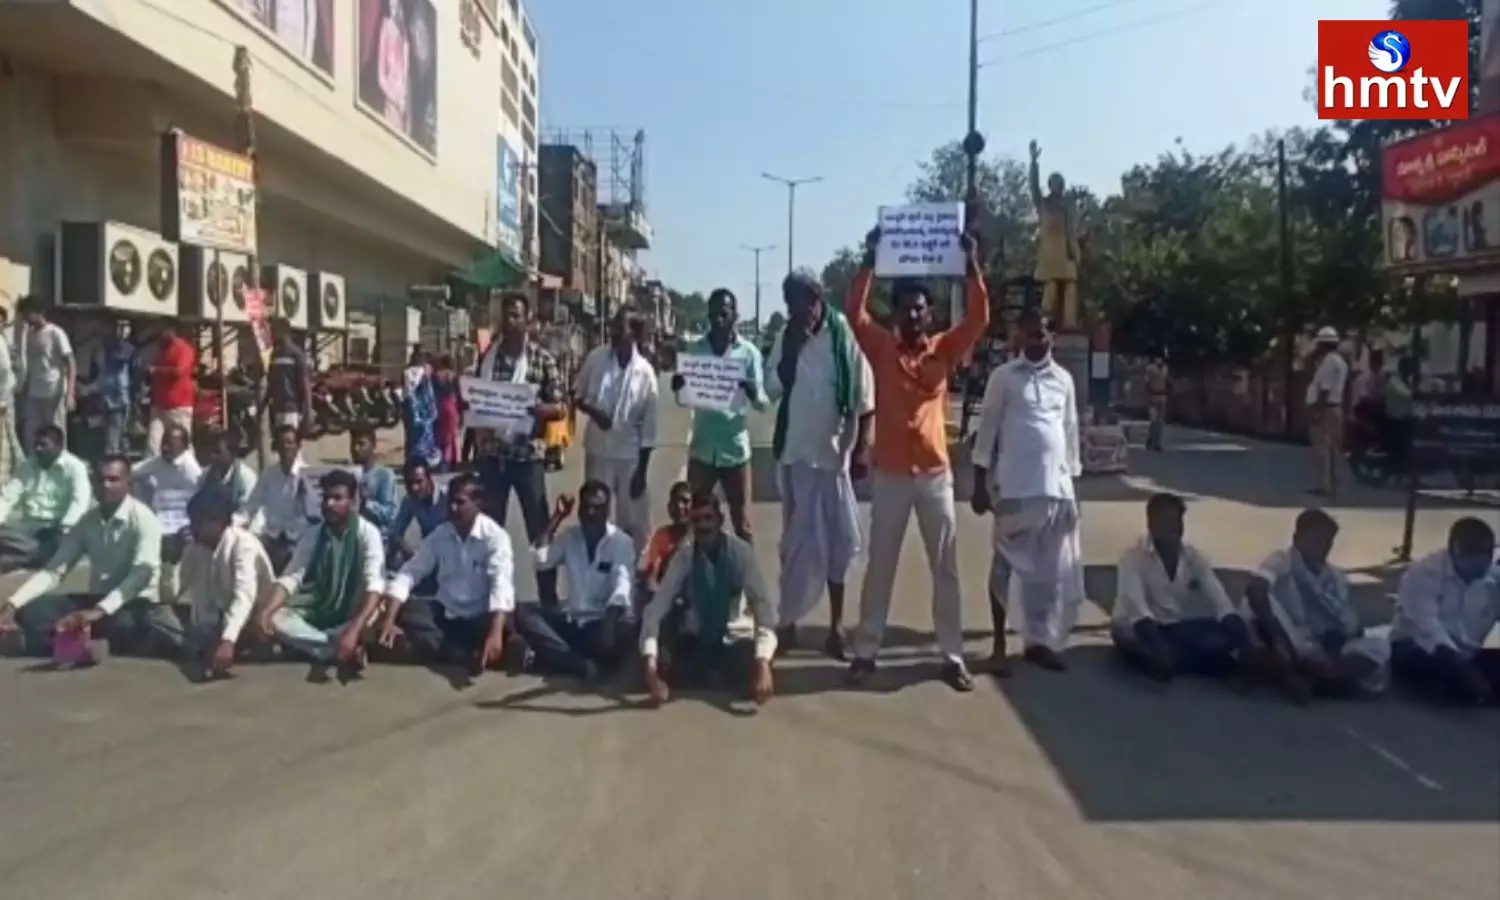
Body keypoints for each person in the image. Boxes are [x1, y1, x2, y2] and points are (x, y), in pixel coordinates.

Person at [845, 227, 989, 692]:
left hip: (934, 477)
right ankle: (866, 650)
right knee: (880, 565)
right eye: (906, 306)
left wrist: (971, 265)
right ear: (897, 313)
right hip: (890, 476)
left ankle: (951, 655)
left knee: (944, 567)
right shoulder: (881, 346)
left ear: (930, 314)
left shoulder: (945, 347)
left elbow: (981, 317)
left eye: (920, 307)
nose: (913, 312)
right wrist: (869, 258)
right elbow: (854, 312)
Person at [764, 270, 875, 659]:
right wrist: (791, 352)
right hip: (795, 456)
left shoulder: (842, 335)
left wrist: (863, 447)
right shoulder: (786, 336)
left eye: (802, 306)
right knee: (795, 546)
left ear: (816, 302)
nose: (797, 315)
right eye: (790, 307)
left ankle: (835, 627)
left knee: (838, 546)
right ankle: (789, 622)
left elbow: (864, 396)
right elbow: (771, 388)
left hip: (833, 460)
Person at [971, 309, 1083, 674]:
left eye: (1043, 335)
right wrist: (979, 484)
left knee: (1050, 574)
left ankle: (1040, 641)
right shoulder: (1003, 378)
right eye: (1030, 334)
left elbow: (1069, 431)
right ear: (1019, 337)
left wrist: (1072, 482)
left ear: (1052, 338)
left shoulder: (1064, 380)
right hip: (1015, 488)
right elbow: (987, 431)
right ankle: (1000, 645)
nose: (1036, 341)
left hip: (1056, 489)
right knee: (1003, 566)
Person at [0, 455, 171, 660]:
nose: (105, 485)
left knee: (131, 625)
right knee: (32, 610)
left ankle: (66, 642)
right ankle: (82, 644)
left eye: (113, 479)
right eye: (100, 480)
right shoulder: (87, 522)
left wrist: (99, 611)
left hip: (133, 604)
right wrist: (12, 604)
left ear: (129, 483)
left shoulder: (144, 520)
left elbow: (140, 576)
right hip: (96, 599)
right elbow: (54, 570)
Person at [639, 489, 778, 705]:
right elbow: (656, 609)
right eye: (696, 520)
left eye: (708, 518)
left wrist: (763, 666)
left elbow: (763, 609)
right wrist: (650, 671)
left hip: (734, 638)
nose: (703, 525)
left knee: (751, 664)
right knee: (668, 660)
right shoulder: (684, 556)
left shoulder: (741, 554)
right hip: (697, 639)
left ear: (720, 520)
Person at [471, 292, 566, 605]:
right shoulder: (487, 359)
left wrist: (539, 410)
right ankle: (492, 600)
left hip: (528, 460)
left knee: (539, 532)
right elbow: (478, 401)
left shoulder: (542, 360)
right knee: (489, 532)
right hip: (493, 460)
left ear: (528, 320)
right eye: (506, 315)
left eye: (516, 315)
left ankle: (548, 600)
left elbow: (561, 408)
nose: (510, 321)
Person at [1240, 509, 1390, 703]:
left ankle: (1314, 676)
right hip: (1284, 636)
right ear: (1297, 538)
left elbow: (1346, 625)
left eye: (1328, 541)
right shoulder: (1282, 560)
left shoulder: (1335, 577)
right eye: (1316, 539)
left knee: (1379, 646)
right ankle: (1291, 673)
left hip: (1318, 646)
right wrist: (1278, 641)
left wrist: (1336, 649)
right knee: (1257, 601)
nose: (1323, 547)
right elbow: (1257, 588)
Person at [254, 469, 385, 676]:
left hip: (354, 612)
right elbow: (291, 576)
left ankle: (326, 644)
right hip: (320, 608)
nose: (329, 504)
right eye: (326, 498)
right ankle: (333, 649)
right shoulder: (314, 534)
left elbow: (374, 586)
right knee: (275, 617)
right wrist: (265, 612)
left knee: (374, 614)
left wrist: (353, 630)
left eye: (337, 498)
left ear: (353, 501)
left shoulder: (368, 534)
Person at [378, 473, 512, 672]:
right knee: (405, 611)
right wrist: (388, 620)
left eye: (460, 502)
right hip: (446, 614)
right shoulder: (441, 534)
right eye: (450, 502)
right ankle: (462, 655)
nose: (452, 508)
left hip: (479, 616)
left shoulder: (495, 538)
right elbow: (411, 571)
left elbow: (501, 585)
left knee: (510, 619)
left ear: (478, 503)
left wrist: (495, 632)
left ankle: (455, 650)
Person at [1110, 493, 1249, 683]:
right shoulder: (1132, 558)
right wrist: (1159, 646)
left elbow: (1220, 600)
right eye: (1166, 521)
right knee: (1150, 648)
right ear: (1151, 524)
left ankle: (1179, 662)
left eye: (1177, 521)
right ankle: (1197, 663)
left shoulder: (1193, 557)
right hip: (1137, 628)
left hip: (1175, 626)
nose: (1173, 528)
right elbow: (1138, 611)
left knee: (1225, 636)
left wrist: (1243, 639)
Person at [512, 481, 636, 677]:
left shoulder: (621, 542)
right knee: (522, 612)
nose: (592, 513)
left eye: (598, 508)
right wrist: (557, 517)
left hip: (602, 624)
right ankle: (575, 663)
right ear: (579, 510)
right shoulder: (570, 537)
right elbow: (541, 561)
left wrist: (610, 622)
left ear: (608, 512)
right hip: (573, 622)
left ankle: (553, 657)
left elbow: (622, 586)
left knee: (627, 629)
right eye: (587, 507)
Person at [671, 289, 766, 542]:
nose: (718, 320)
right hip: (703, 450)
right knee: (693, 521)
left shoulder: (748, 354)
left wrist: (753, 391)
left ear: (735, 315)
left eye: (723, 314)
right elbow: (683, 400)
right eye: (713, 314)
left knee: (742, 525)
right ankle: (694, 577)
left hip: (735, 451)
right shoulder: (695, 350)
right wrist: (679, 387)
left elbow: (763, 404)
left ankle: (745, 578)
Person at [572, 305, 659, 555]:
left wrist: (642, 472)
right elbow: (575, 393)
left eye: (619, 328)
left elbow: (650, 429)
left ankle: (630, 571)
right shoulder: (596, 358)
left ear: (634, 333)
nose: (613, 333)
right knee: (596, 513)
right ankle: (598, 565)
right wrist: (594, 412)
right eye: (612, 326)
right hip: (598, 451)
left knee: (633, 522)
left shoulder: (646, 373)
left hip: (629, 457)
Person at [1388, 517, 1499, 705]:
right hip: (1420, 649)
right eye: (1475, 553)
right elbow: (1430, 630)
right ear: (1455, 550)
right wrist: (1466, 671)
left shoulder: (1493, 579)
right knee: (1437, 672)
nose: (1483, 560)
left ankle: (1475, 691)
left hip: (1469, 653)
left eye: (1488, 553)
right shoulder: (1423, 574)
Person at [171, 486, 277, 679]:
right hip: (217, 618)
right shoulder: (196, 547)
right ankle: (220, 649)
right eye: (192, 521)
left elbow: (244, 596)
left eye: (199, 522)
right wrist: (172, 557)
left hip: (254, 616)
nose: (193, 528)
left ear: (222, 523)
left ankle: (237, 646)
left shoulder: (243, 545)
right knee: (168, 624)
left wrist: (228, 639)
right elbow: (180, 589)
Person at [0, 423, 93, 572]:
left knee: (54, 546)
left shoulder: (75, 467)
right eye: (36, 444)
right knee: (9, 535)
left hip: (58, 530)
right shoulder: (26, 466)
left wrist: (64, 527)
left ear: (59, 446)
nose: (38, 449)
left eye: (43, 445)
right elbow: (7, 498)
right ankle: (28, 556)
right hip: (29, 530)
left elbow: (79, 502)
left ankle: (13, 558)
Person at [242, 424, 313, 572]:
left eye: (290, 443)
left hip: (297, 537)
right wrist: (239, 526)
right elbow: (251, 505)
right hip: (272, 535)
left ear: (298, 446)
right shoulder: (269, 474)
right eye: (281, 443)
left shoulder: (307, 474)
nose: (285, 447)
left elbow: (313, 514)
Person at [17, 295, 76, 448]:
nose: (25, 318)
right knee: (31, 432)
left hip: (53, 392)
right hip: (34, 392)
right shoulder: (29, 334)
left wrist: (70, 394)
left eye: (27, 313)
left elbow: (71, 363)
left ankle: (60, 463)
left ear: (38, 312)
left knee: (55, 432)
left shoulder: (55, 332)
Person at [1305, 327, 1349, 498]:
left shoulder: (1328, 362)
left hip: (1326, 408)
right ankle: (1333, 484)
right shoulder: (1341, 362)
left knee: (1322, 448)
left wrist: (1317, 410)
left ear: (1323, 344)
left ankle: (1324, 485)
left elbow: (1325, 388)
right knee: (1334, 449)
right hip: (1336, 407)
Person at [86, 321, 137, 456]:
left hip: (120, 396)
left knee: (118, 429)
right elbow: (99, 369)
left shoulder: (128, 349)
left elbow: (131, 370)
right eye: (119, 326)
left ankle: (115, 454)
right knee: (110, 430)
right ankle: (111, 455)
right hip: (108, 394)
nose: (122, 330)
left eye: (126, 326)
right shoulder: (105, 347)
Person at [386, 459, 448, 568]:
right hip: (428, 556)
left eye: (419, 482)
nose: (414, 487)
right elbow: (396, 532)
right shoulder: (410, 500)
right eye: (409, 483)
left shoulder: (447, 497)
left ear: (429, 479)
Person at [146, 323, 196, 456]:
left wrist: (156, 370)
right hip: (159, 404)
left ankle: (189, 472)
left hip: (178, 405)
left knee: (183, 443)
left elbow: (180, 371)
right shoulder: (159, 349)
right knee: (153, 443)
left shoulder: (183, 349)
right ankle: (153, 472)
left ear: (171, 331)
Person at [639, 480, 691, 605]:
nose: (679, 507)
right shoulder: (661, 535)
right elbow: (651, 573)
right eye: (675, 502)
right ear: (669, 508)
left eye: (685, 501)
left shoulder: (703, 536)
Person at [197, 427, 257, 513]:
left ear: (232, 453)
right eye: (212, 451)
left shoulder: (246, 477)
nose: (213, 456)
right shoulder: (206, 475)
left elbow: (247, 511)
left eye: (218, 452)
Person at [265, 323, 312, 432]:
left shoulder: (296, 354)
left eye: (274, 331)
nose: (272, 334)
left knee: (290, 440)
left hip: (292, 406)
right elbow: (271, 381)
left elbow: (305, 383)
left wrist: (308, 410)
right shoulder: (274, 354)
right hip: (277, 407)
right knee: (281, 442)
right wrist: (264, 402)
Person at [350, 425, 397, 531]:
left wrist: (366, 502)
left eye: (361, 444)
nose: (355, 449)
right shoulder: (347, 474)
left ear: (373, 445)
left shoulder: (384, 475)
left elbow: (390, 516)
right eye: (353, 444)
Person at [432, 354, 463, 471]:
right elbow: (459, 393)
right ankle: (453, 460)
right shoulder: (454, 376)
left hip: (439, 405)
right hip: (452, 405)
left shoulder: (436, 375)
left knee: (441, 434)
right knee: (453, 433)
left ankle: (442, 459)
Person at [0, 306, 18, 487]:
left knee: (6, 437)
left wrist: (3, 400)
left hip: (3, 396)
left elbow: (5, 372)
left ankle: (5, 479)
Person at [1145, 357, 1169, 451]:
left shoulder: (1165, 368)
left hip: (1162, 397)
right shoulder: (1150, 369)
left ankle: (1157, 442)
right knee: (1154, 420)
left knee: (1161, 421)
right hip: (1153, 397)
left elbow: (1166, 382)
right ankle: (1151, 439)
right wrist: (1148, 397)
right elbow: (1147, 384)